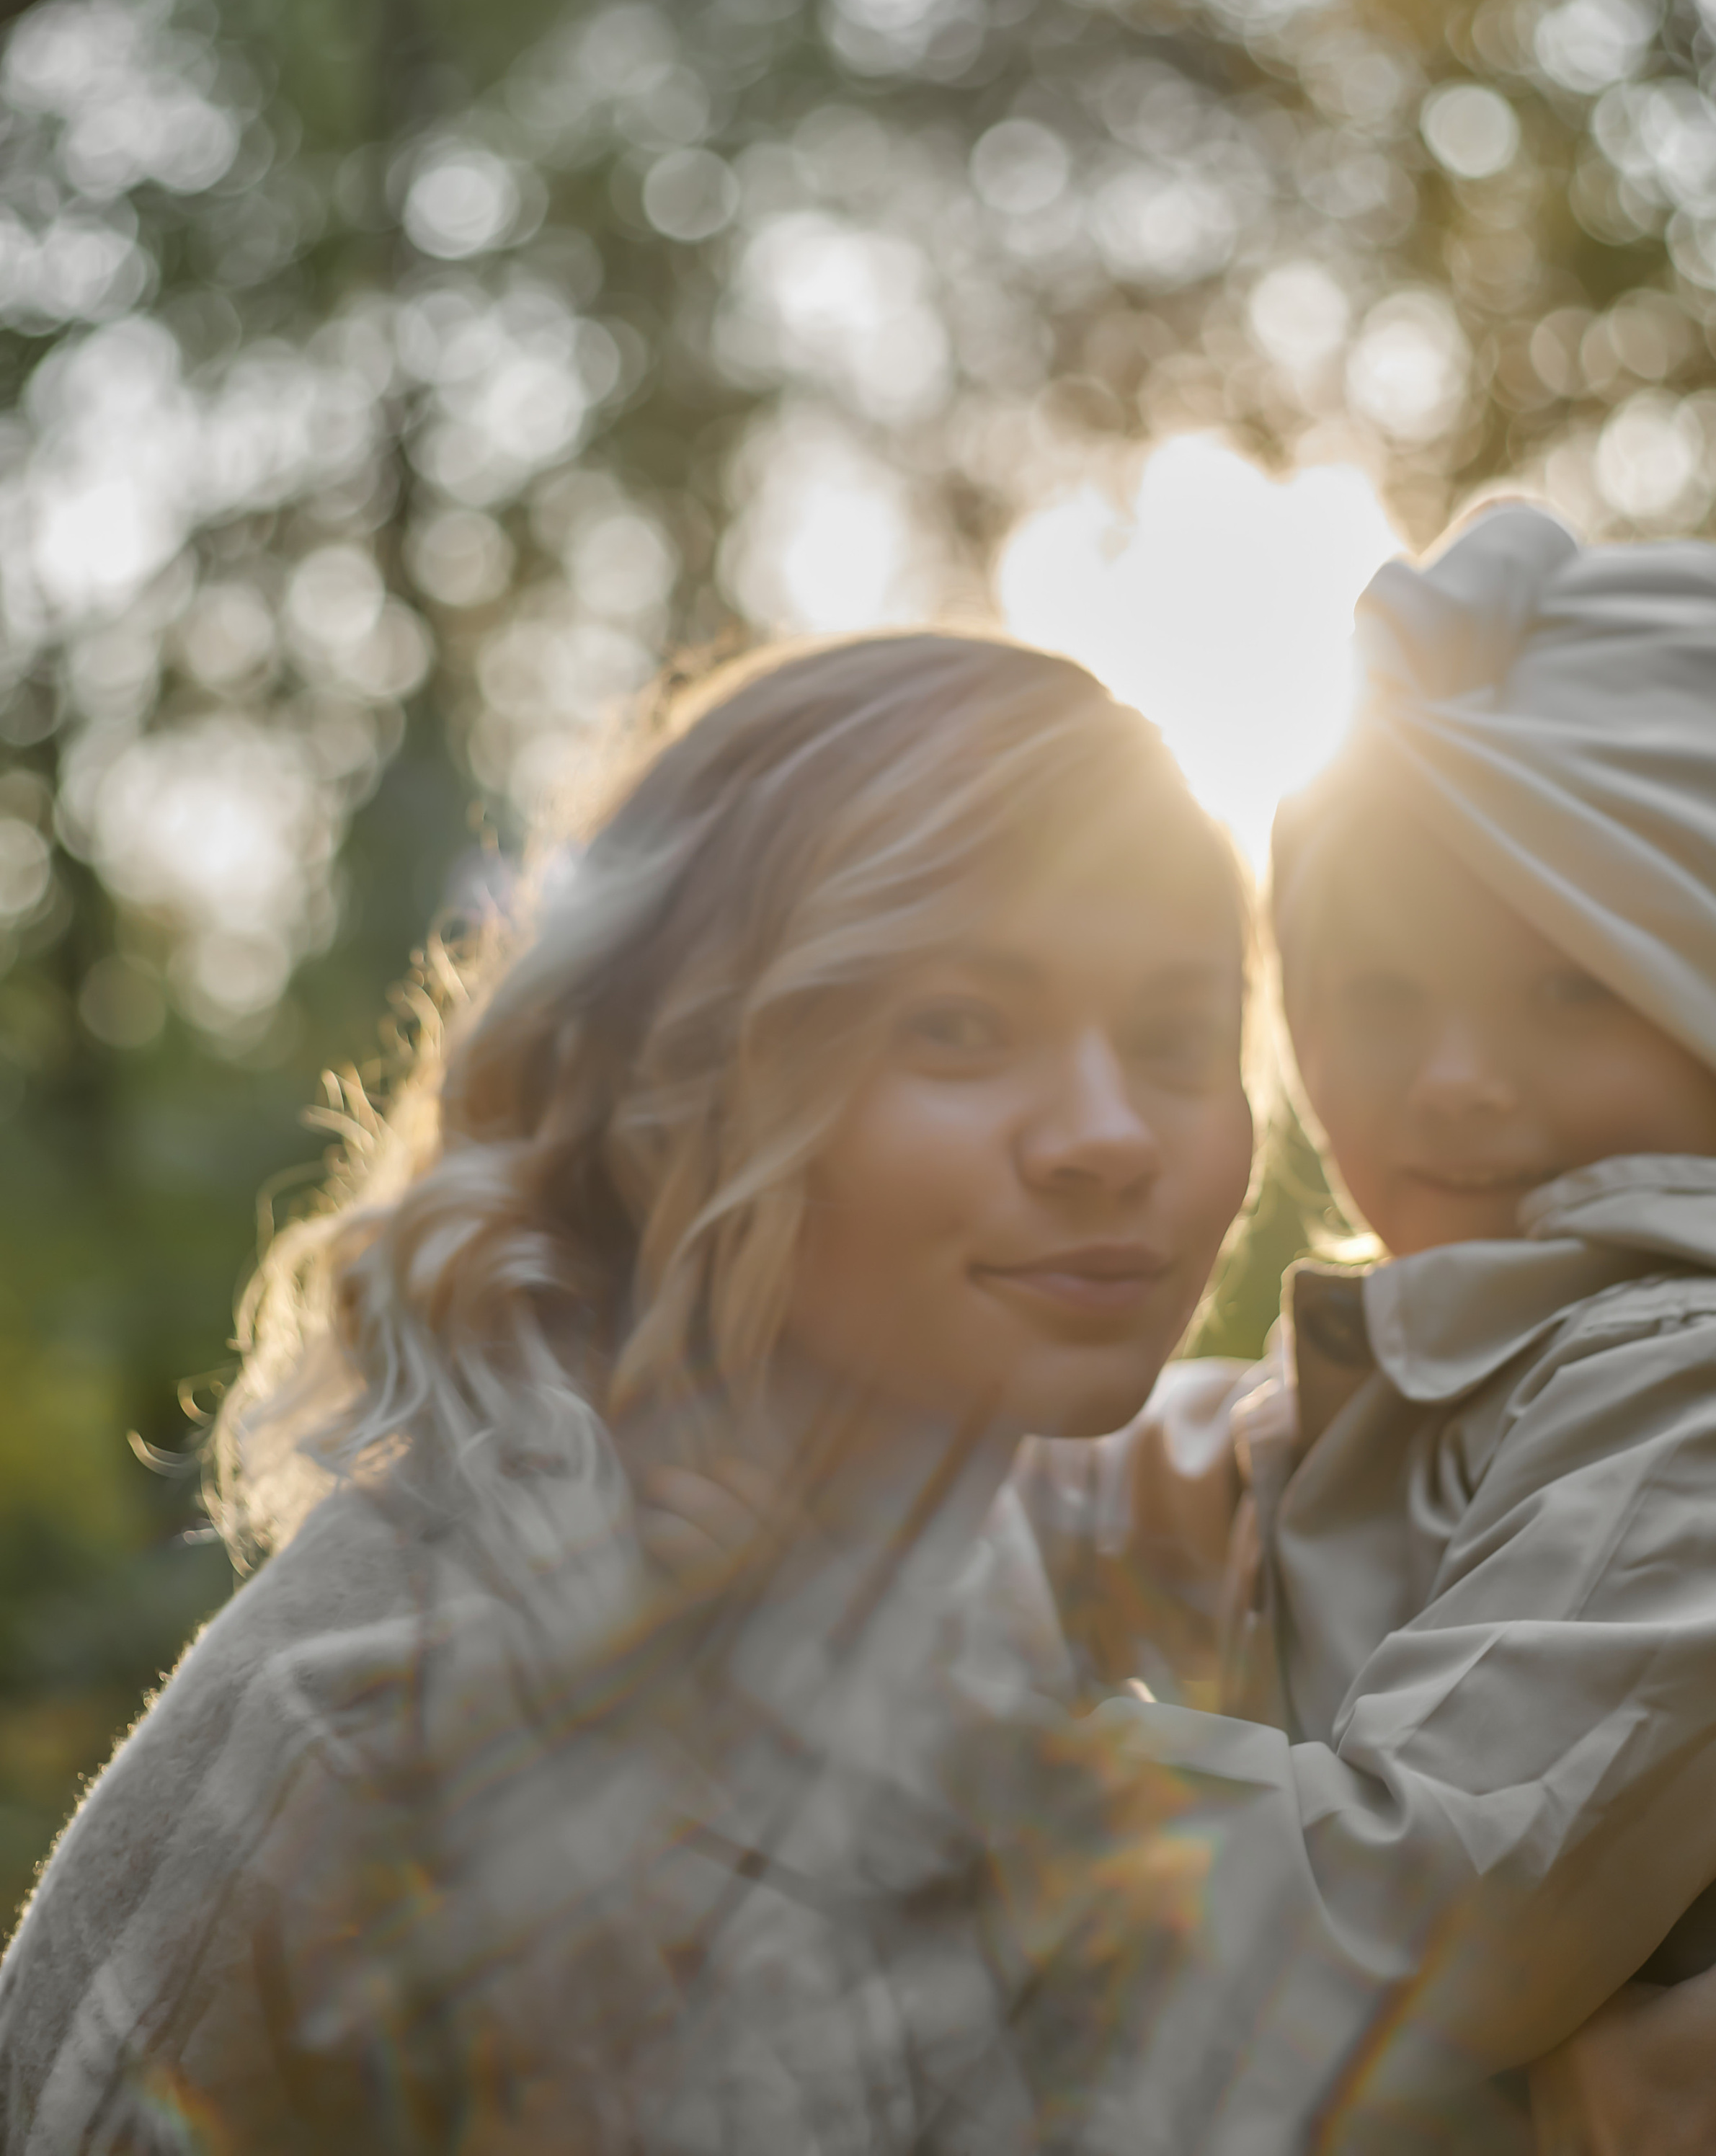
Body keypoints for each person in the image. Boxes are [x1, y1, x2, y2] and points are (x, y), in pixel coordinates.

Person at [0, 632, 1260, 2152]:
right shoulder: (388, 1742)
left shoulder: (977, 1568)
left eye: (1178, 1038)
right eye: (958, 1029)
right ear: (680, 1086)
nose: (1107, 1136)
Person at [1025, 502, 1716, 2147]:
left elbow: (1427, 1899)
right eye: (1380, 996)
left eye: (1570, 992)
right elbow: (1115, 1472)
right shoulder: (1442, 1360)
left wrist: (931, 1778)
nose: (1454, 1079)